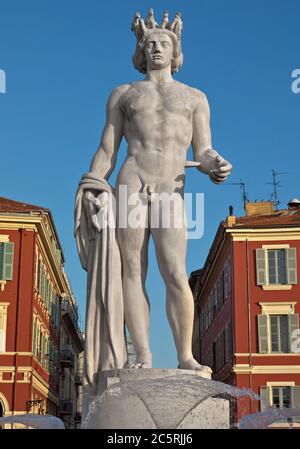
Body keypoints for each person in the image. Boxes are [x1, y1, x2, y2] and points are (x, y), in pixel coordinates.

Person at [75, 10, 232, 381]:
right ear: (140, 51)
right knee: (132, 269)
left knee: (175, 271)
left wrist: (215, 165)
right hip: (131, 182)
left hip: (171, 188)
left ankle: (185, 355)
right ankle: (142, 354)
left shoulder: (194, 97)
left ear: (175, 50)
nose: (157, 48)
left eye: (164, 43)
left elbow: (204, 149)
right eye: (150, 44)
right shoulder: (124, 94)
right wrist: (93, 183)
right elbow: (107, 150)